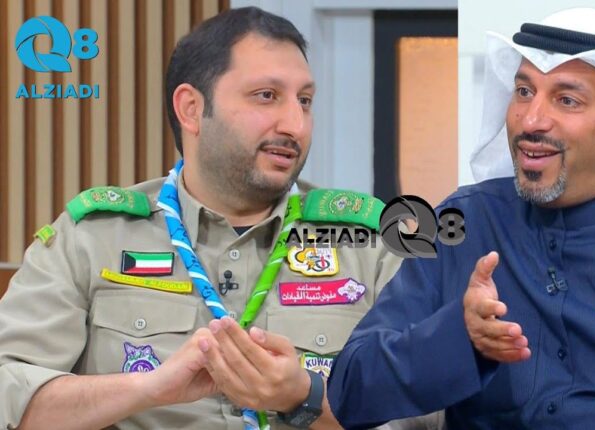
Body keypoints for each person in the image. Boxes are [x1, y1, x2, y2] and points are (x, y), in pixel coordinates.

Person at [328, 8, 595, 430]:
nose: (531, 120)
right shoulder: (464, 224)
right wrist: (458, 336)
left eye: (567, 100)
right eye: (524, 91)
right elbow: (350, 392)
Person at [0, 6, 419, 430]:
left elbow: (427, 410)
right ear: (191, 109)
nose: (295, 124)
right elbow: (8, 392)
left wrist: (307, 397)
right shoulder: (92, 237)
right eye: (266, 96)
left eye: (305, 101)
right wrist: (147, 389)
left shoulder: (373, 246)